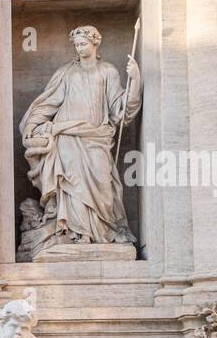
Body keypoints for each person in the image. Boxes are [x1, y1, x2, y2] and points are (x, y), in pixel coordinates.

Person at [20, 25, 141, 252]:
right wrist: (33, 123)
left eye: (83, 43)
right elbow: (49, 102)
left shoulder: (108, 72)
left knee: (103, 183)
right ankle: (77, 233)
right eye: (76, 44)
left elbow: (120, 110)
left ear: (95, 43)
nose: (79, 47)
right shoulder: (67, 72)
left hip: (97, 136)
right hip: (67, 137)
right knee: (72, 183)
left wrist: (134, 81)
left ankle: (102, 231)